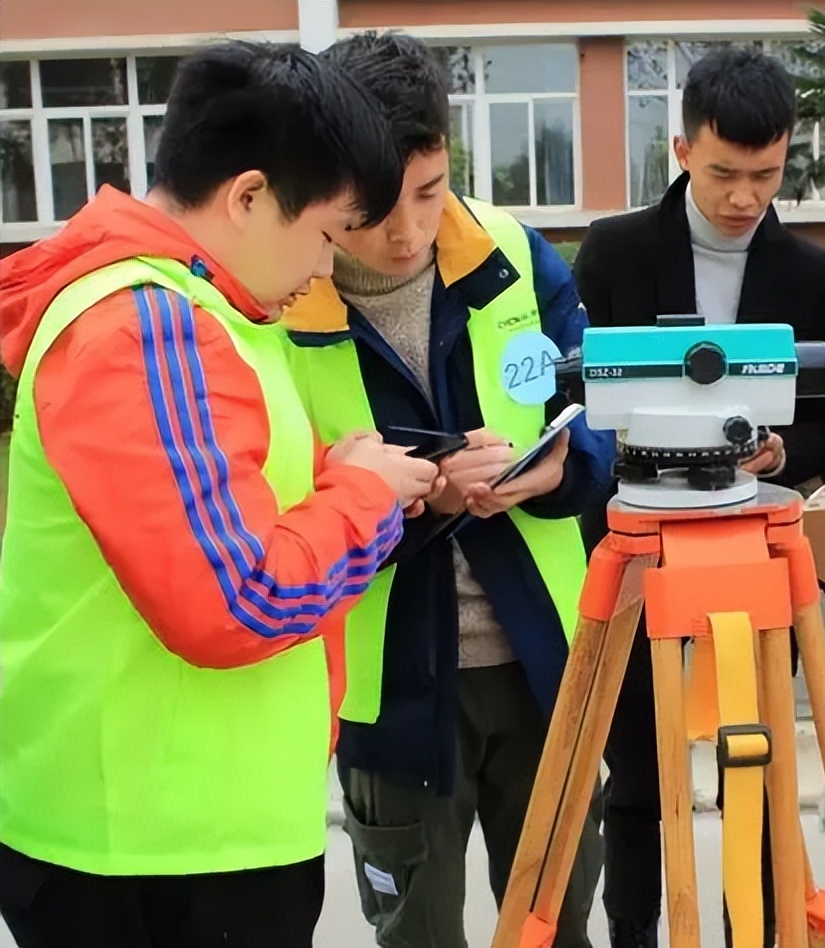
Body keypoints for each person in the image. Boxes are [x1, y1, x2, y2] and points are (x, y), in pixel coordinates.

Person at [0, 42, 441, 948]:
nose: (325, 270)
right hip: (151, 854)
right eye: (325, 233)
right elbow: (240, 597)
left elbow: (230, 500)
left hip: (186, 832)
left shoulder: (204, 310)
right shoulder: (148, 326)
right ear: (246, 197)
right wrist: (362, 496)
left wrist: (334, 473)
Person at [281, 33, 609, 948]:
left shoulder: (514, 257)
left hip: (545, 670)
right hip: (391, 695)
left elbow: (596, 416)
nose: (406, 231)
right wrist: (412, 500)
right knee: (417, 933)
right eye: (375, 208)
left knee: (555, 927)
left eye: (429, 193)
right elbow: (271, 505)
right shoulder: (276, 303)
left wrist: (560, 462)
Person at [571, 46, 825, 948]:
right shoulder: (613, 253)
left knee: (751, 767)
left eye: (765, 175)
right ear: (684, 148)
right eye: (725, 172)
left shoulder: (806, 272)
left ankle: (754, 933)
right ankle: (635, 934)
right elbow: (574, 400)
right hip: (640, 549)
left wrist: (777, 450)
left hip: (751, 555)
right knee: (640, 780)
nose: (743, 197)